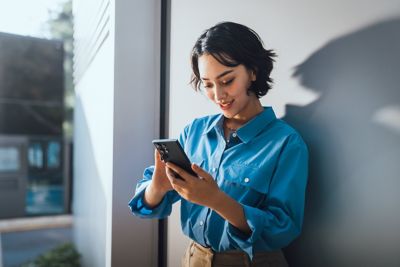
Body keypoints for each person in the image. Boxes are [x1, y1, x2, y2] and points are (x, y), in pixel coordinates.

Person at [129, 21, 308, 267]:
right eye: (208, 84)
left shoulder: (286, 143)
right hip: (193, 258)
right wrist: (157, 188)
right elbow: (144, 206)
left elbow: (283, 228)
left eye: (227, 81)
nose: (218, 95)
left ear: (253, 71)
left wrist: (216, 200)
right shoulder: (195, 131)